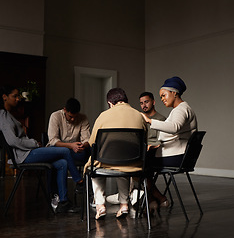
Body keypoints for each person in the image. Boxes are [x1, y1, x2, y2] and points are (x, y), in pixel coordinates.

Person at [0, 85, 83, 213]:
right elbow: (13, 141)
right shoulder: (2, 115)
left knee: (62, 163)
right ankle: (79, 181)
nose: (18, 99)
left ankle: (63, 202)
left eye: (18, 96)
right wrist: (33, 143)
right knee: (65, 150)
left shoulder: (7, 114)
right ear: (4, 97)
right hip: (23, 155)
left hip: (27, 152)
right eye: (15, 96)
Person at [84, 88, 147, 220]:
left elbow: (92, 142)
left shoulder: (103, 115)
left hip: (106, 161)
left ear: (110, 103)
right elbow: (144, 141)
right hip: (133, 163)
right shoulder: (139, 115)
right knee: (123, 166)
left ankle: (100, 205)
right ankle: (124, 205)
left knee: (95, 166)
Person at [141, 76, 198, 213]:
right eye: (161, 97)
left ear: (174, 93)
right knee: (145, 163)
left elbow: (175, 127)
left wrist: (149, 121)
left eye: (164, 95)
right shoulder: (181, 109)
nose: (162, 99)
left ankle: (152, 199)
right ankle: (155, 199)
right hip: (179, 154)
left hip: (177, 157)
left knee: (139, 165)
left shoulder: (181, 109)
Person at [106, 92, 166, 206]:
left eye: (146, 102)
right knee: (129, 159)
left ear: (153, 102)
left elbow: (163, 141)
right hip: (139, 150)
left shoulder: (161, 119)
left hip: (154, 152)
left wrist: (152, 146)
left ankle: (145, 196)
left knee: (139, 165)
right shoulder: (138, 118)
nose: (144, 105)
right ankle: (136, 194)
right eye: (141, 103)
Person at [46, 98, 90, 164]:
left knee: (84, 154)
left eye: (75, 117)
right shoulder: (55, 116)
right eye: (70, 116)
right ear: (65, 110)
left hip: (74, 150)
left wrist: (82, 146)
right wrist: (71, 145)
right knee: (63, 153)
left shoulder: (83, 118)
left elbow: (86, 140)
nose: (72, 119)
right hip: (57, 148)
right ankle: (75, 174)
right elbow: (53, 141)